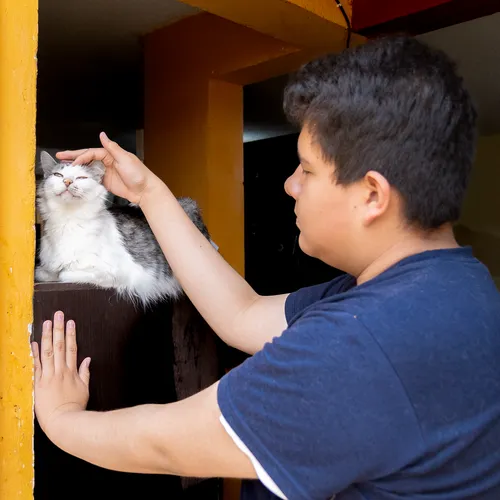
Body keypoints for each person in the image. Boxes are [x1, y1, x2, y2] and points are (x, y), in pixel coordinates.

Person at [32, 36, 500, 500]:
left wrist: (61, 420)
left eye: (307, 169)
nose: (290, 184)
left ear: (372, 195)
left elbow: (167, 445)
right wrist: (150, 194)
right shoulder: (452, 286)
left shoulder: (360, 346)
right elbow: (242, 313)